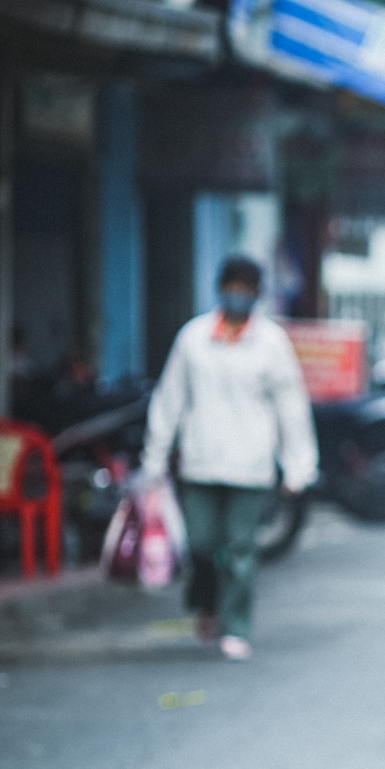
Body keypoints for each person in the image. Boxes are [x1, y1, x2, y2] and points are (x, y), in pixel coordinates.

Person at [142, 257, 317, 661]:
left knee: (240, 549)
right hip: (200, 461)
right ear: (219, 288)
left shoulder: (272, 343)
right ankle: (206, 604)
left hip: (250, 466)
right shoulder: (193, 338)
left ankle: (236, 625)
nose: (236, 295)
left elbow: (291, 406)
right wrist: (154, 458)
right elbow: (169, 400)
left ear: (255, 295)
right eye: (231, 286)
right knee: (201, 545)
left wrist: (298, 465)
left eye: (245, 288)